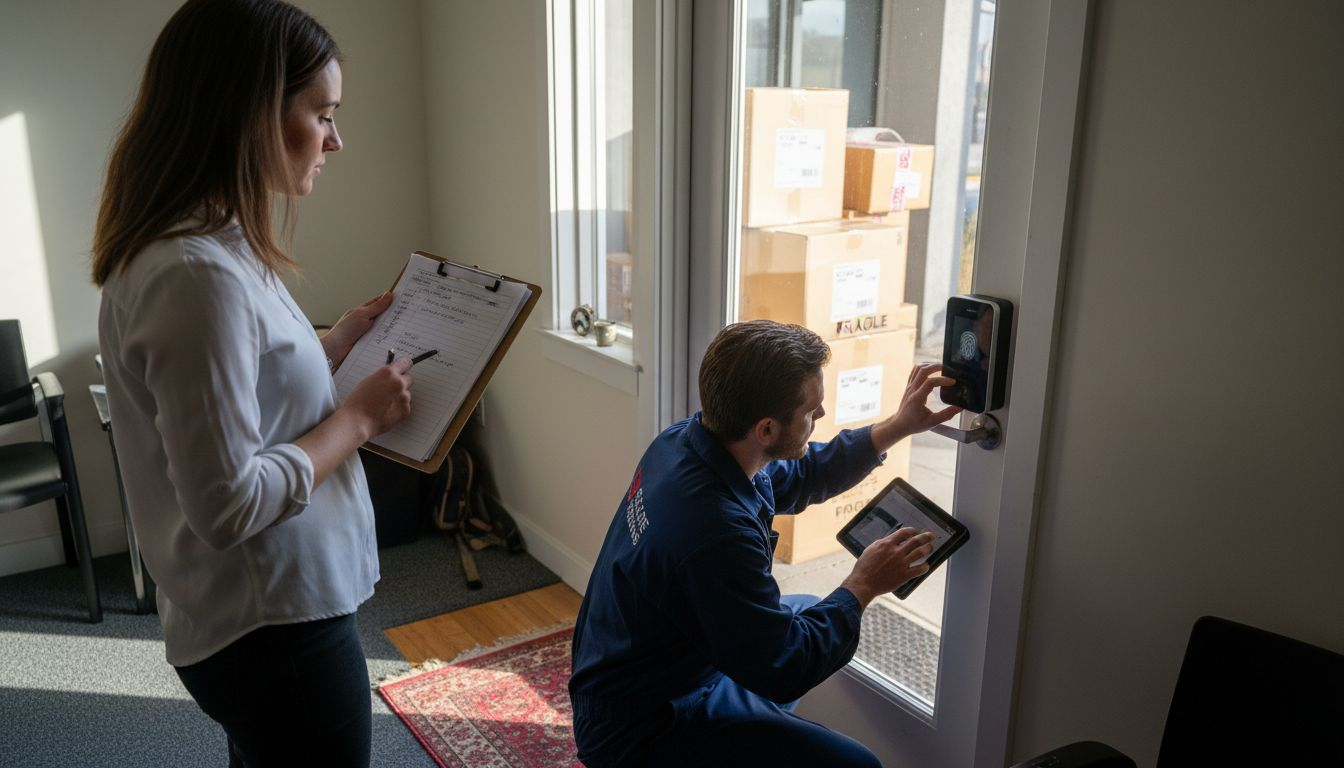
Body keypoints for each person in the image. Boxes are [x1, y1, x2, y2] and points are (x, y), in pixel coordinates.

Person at [93, 1, 412, 765]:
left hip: (265, 621)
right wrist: (359, 422)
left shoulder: (210, 244)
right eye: (322, 114)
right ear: (251, 114)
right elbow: (226, 504)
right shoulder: (196, 274)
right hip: (273, 630)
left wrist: (332, 346)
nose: (338, 138)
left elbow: (243, 390)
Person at [568, 320, 962, 766]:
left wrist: (898, 425)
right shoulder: (714, 531)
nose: (822, 417)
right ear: (767, 430)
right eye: (812, 411)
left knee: (810, 607)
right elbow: (784, 667)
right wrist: (863, 584)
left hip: (639, 669)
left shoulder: (686, 442)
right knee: (859, 765)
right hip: (645, 725)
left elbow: (803, 474)